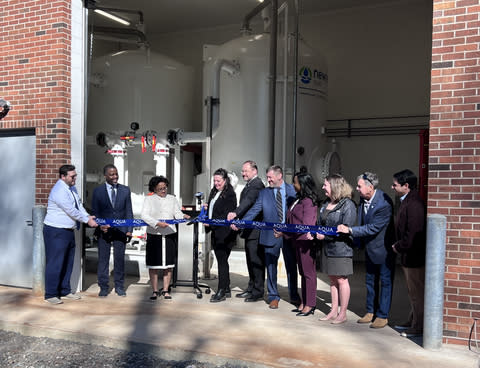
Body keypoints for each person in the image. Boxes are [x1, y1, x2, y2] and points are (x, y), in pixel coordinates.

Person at [337, 172, 396, 328]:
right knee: (370, 282)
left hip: (383, 250)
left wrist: (350, 231)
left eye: (359, 186)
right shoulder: (363, 199)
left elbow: (373, 228)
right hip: (370, 249)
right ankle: (370, 311)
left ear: (370, 187)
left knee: (385, 282)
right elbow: (362, 220)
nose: (357, 189)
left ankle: (382, 315)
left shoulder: (384, 203)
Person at [240, 165, 300, 310]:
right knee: (271, 267)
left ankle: (294, 295)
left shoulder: (293, 191)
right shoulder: (264, 193)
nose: (268, 180)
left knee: (291, 267)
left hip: (289, 235)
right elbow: (255, 209)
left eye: (270, 177)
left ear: (279, 176)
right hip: (270, 235)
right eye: (267, 177)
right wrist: (241, 222)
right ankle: (273, 296)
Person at [43, 164, 98, 305]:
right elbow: (70, 210)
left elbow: (78, 206)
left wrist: (88, 217)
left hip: (68, 230)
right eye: (72, 176)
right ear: (63, 177)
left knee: (68, 261)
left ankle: (64, 290)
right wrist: (87, 221)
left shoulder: (71, 188)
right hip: (56, 230)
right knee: (55, 263)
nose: (75, 178)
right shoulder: (59, 191)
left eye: (75, 176)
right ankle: (51, 294)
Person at [141, 176, 189, 301]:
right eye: (160, 189)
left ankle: (166, 290)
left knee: (168, 264)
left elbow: (176, 213)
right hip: (154, 233)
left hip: (169, 233)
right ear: (154, 189)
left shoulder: (172, 198)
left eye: (165, 188)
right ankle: (155, 290)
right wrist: (157, 223)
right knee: (153, 264)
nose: (163, 190)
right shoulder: (149, 199)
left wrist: (184, 215)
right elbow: (144, 215)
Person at [316, 174, 356, 324]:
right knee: (332, 280)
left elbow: (345, 228)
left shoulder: (348, 205)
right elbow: (320, 224)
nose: (323, 187)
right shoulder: (325, 204)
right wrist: (314, 232)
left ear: (334, 186)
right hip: (327, 248)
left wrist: (324, 236)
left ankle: (343, 313)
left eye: (325, 185)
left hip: (341, 249)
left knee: (342, 280)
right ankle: (333, 310)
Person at [277, 171, 318, 316]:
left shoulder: (309, 202)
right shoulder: (298, 200)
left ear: (303, 184)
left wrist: (285, 233)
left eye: (295, 182)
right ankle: (304, 301)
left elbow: (306, 225)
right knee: (302, 273)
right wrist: (284, 232)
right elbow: (293, 221)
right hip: (296, 241)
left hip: (305, 243)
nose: (293, 185)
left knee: (309, 274)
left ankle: (310, 304)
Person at [391, 169, 426, 337]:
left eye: (395, 184)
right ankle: (412, 320)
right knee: (413, 293)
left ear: (406, 186)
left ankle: (418, 326)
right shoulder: (407, 201)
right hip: (408, 257)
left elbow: (413, 234)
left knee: (417, 294)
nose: (392, 187)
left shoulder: (414, 204)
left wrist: (399, 246)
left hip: (413, 258)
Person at [91, 164, 133, 297]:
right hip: (104, 231)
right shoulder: (98, 191)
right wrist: (100, 225)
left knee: (119, 260)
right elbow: (95, 212)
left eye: (116, 174)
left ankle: (119, 286)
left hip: (120, 231)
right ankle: (103, 287)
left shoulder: (125, 190)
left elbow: (128, 211)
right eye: (111, 174)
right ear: (105, 176)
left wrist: (129, 229)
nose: (115, 177)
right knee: (103, 260)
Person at [226, 160, 265, 302]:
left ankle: (258, 291)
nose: (243, 174)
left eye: (246, 171)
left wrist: (235, 214)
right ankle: (251, 288)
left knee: (256, 261)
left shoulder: (257, 185)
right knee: (250, 260)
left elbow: (248, 202)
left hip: (255, 230)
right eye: (242, 171)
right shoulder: (250, 184)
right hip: (248, 229)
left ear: (254, 171)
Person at [205, 168, 238, 302]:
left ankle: (221, 291)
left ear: (225, 180)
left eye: (218, 181)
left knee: (222, 262)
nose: (216, 183)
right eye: (214, 180)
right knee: (222, 261)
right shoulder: (214, 192)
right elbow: (213, 210)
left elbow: (226, 215)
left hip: (225, 234)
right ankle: (227, 287)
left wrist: (211, 223)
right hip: (216, 231)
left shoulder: (230, 194)